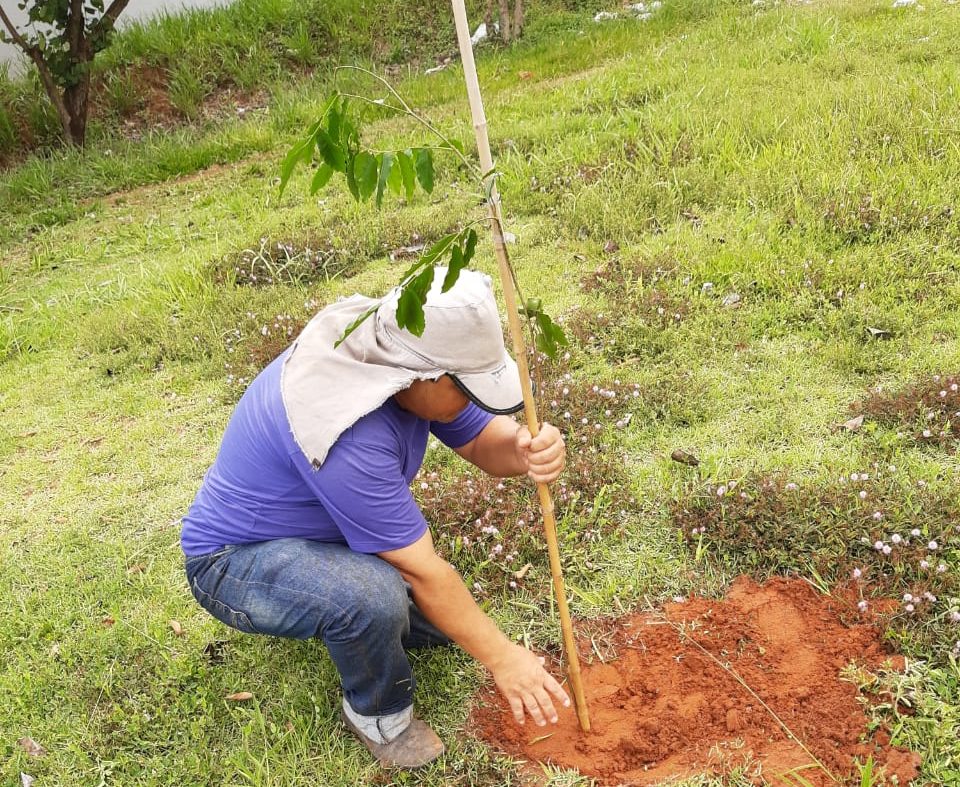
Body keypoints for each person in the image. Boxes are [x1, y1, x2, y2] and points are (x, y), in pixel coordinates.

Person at [180, 268, 570, 768]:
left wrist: (519, 449)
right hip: (234, 563)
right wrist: (503, 658)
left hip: (323, 539)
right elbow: (419, 569)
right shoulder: (350, 427)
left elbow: (478, 442)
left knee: (433, 615)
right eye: (469, 388)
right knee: (373, 598)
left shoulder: (404, 350)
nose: (476, 400)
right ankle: (379, 718)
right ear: (424, 375)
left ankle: (381, 621)